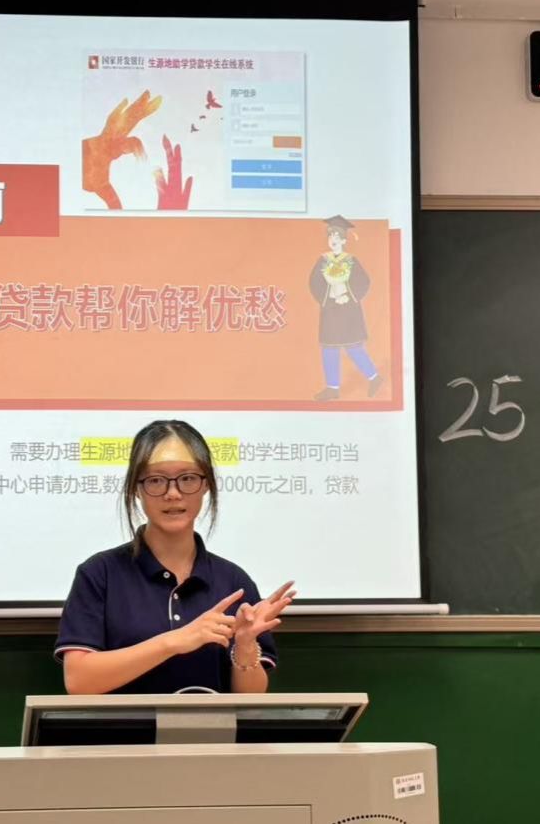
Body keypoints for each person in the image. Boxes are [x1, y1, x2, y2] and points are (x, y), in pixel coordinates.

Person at [55, 419, 295, 694]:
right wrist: (175, 641)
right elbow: (79, 681)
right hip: (124, 725)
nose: (173, 493)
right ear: (135, 489)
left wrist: (245, 645)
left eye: (188, 478)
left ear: (206, 485)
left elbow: (250, 698)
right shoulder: (100, 573)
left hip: (213, 725)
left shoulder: (233, 581)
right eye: (156, 480)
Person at [308, 215, 383, 400]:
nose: (332, 240)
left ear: (343, 240)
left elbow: (363, 282)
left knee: (353, 347)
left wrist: (347, 294)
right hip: (330, 310)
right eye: (330, 236)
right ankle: (332, 388)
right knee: (329, 348)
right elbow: (314, 282)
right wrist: (329, 294)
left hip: (349, 311)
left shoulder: (351, 260)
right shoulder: (323, 260)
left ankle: (374, 377)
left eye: (336, 236)